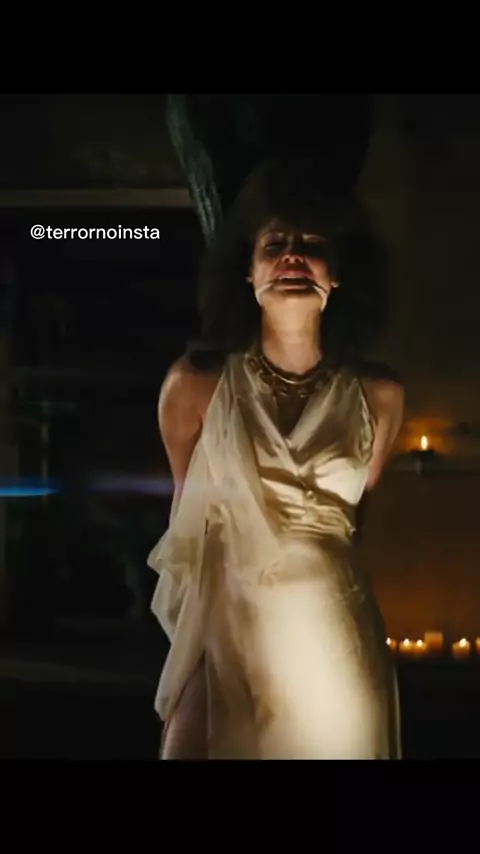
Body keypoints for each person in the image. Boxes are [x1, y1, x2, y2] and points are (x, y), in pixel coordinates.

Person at [147, 158, 404, 759]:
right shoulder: (195, 386)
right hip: (229, 627)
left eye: (312, 245)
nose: (293, 257)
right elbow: (186, 519)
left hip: (334, 639)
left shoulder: (379, 395)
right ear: (248, 269)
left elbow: (353, 521)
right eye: (275, 244)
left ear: (339, 273)